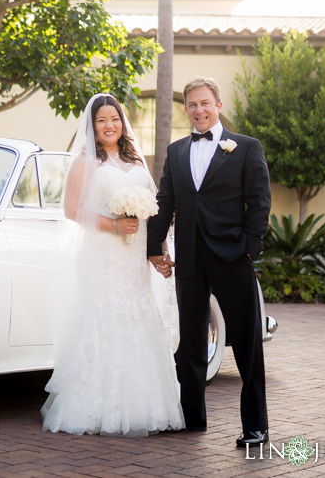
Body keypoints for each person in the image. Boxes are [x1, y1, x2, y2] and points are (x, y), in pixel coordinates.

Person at [42, 93, 184, 437]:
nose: (110, 126)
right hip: (103, 256)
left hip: (133, 257)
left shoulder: (135, 160)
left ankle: (144, 405)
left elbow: (152, 211)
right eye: (102, 120)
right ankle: (92, 406)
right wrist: (114, 225)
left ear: (123, 122)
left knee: (138, 316)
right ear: (92, 126)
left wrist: (158, 251)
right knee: (103, 317)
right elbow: (72, 210)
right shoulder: (85, 162)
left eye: (115, 119)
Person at [146, 77, 271, 447]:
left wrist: (250, 249)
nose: (198, 110)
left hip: (233, 256)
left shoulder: (246, 148)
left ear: (217, 104)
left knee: (247, 343)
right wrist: (154, 248)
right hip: (190, 258)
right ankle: (191, 418)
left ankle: (256, 427)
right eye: (191, 105)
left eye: (204, 103)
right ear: (186, 110)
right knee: (191, 341)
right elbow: (164, 201)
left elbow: (259, 202)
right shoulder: (176, 150)